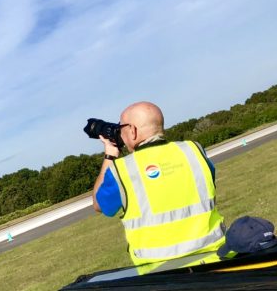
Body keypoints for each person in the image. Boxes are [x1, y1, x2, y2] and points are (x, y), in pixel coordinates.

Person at [92, 101, 226, 270]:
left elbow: (99, 204)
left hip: (160, 272)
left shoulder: (122, 170)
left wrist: (110, 156)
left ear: (132, 130)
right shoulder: (194, 151)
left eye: (122, 128)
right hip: (215, 261)